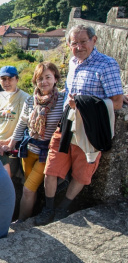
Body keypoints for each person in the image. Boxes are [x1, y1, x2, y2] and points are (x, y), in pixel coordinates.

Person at [34, 25, 124, 226]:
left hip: (90, 128)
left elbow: (116, 102)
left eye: (83, 41)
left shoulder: (106, 64)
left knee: (82, 174)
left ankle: (62, 209)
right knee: (51, 169)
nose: (79, 46)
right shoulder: (73, 62)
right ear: (69, 44)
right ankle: (48, 210)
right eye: (74, 43)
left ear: (94, 40)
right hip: (67, 123)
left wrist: (82, 103)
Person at [8, 62, 66, 223]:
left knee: (28, 189)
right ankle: (27, 218)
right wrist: (11, 143)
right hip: (29, 151)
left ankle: (20, 222)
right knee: (29, 188)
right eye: (40, 78)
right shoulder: (30, 101)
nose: (44, 82)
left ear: (55, 78)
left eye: (48, 77)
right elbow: (21, 124)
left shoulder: (62, 100)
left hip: (47, 153)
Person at [0, 66, 30, 176]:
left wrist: (9, 143)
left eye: (10, 78)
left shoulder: (25, 98)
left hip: (13, 146)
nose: (6, 82)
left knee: (5, 177)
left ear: (17, 79)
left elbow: (23, 125)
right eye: (3, 79)